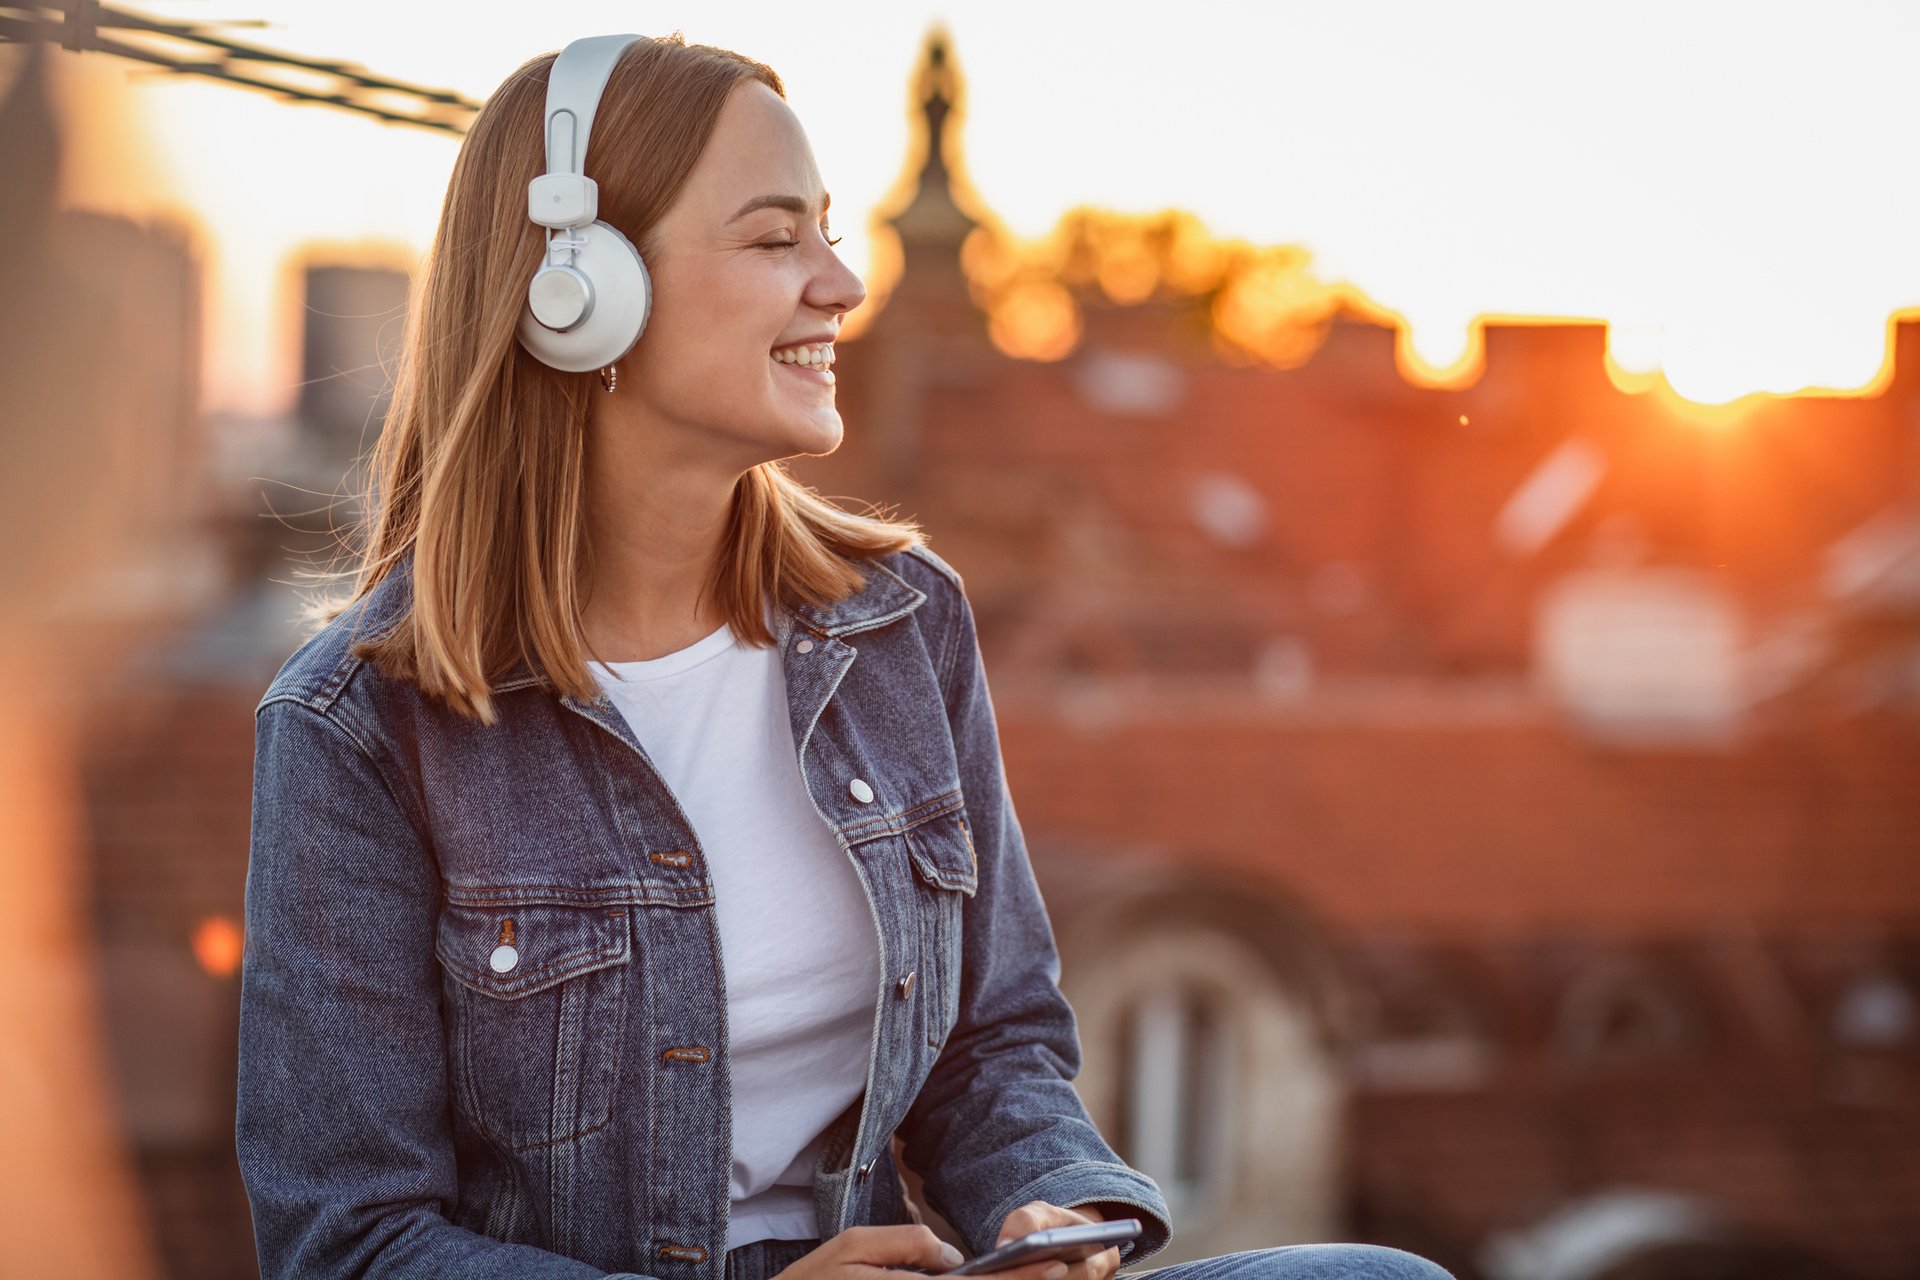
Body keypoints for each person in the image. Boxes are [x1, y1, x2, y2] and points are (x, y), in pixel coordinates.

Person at [234, 32, 1453, 1280]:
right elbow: (351, 1245)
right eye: (775, 240)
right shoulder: (359, 728)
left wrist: (1042, 1208)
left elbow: (996, 1046)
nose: (841, 284)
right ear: (576, 288)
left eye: (826, 230)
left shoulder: (899, 621)